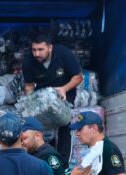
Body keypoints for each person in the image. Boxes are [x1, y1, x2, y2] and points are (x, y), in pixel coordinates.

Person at [22, 34, 83, 165]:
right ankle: (43, 161)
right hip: (43, 97)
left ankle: (63, 163)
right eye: (34, 50)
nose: (36, 53)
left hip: (64, 94)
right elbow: (29, 85)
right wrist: (29, 102)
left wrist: (64, 89)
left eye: (40, 49)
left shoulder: (63, 54)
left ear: (50, 47)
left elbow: (78, 77)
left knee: (65, 126)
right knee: (40, 128)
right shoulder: (28, 62)